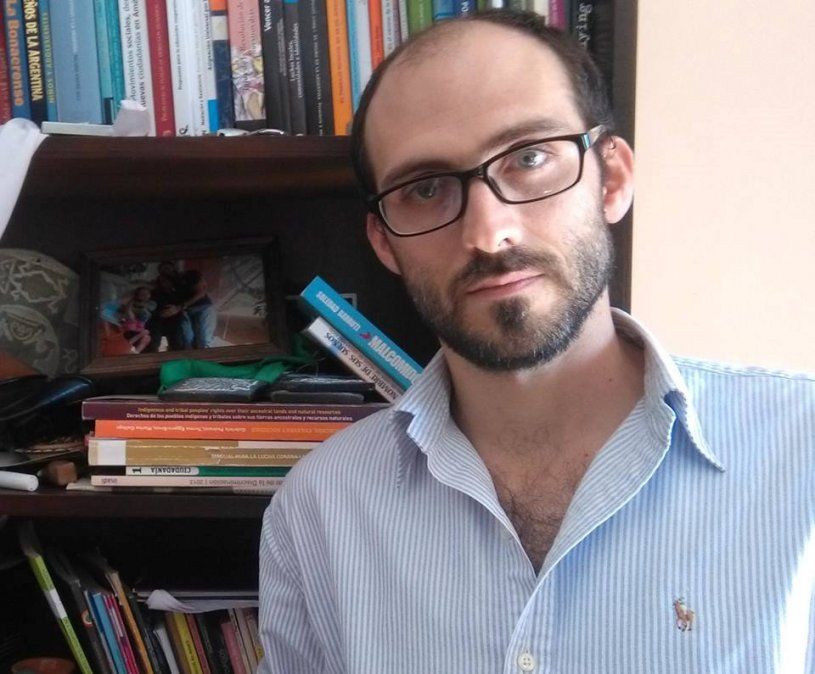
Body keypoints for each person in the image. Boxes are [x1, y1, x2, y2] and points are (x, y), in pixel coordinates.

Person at [258, 10, 815, 673]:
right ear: (384, 242)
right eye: (425, 189)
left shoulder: (801, 457)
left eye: (528, 158)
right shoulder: (319, 510)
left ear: (611, 179)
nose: (488, 234)